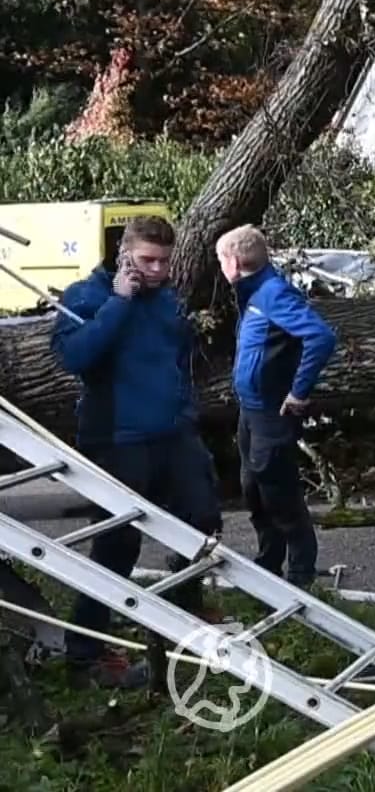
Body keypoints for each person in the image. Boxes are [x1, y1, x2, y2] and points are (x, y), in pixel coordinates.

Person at [51, 215, 222, 688]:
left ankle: (186, 605)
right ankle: (86, 653)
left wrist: (184, 411)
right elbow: (74, 357)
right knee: (117, 545)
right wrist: (119, 302)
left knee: (203, 516)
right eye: (148, 260)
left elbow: (176, 358)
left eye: (165, 261)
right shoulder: (87, 296)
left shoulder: (166, 300)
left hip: (171, 432)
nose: (158, 270)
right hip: (115, 438)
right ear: (124, 254)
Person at [216, 224, 335, 592]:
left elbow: (321, 336)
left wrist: (299, 392)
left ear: (234, 262)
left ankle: (301, 575)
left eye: (221, 260)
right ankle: (268, 563)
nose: (220, 267)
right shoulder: (250, 291)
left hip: (272, 412)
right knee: (252, 488)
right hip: (249, 411)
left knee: (279, 493)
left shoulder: (272, 293)